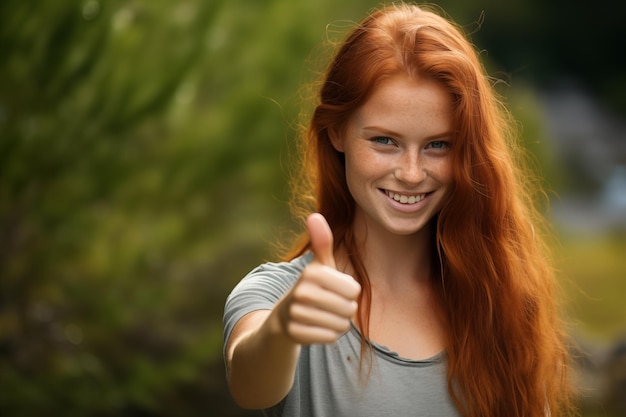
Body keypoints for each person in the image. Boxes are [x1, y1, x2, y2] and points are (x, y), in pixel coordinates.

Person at [223, 3, 576, 416]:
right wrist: (283, 330)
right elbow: (250, 384)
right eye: (384, 141)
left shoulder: (500, 297)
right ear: (336, 131)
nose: (411, 174)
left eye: (437, 145)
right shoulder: (278, 295)